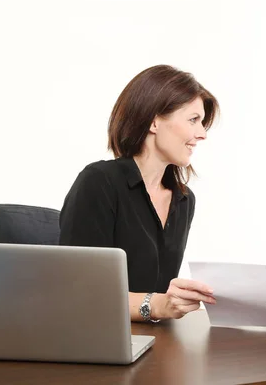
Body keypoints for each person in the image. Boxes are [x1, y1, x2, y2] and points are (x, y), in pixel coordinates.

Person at [59, 65, 219, 323]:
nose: (201, 134)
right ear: (154, 121)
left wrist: (178, 300)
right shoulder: (100, 182)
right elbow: (80, 294)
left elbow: (160, 298)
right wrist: (157, 304)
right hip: (97, 344)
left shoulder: (183, 199)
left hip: (154, 343)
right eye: (193, 120)